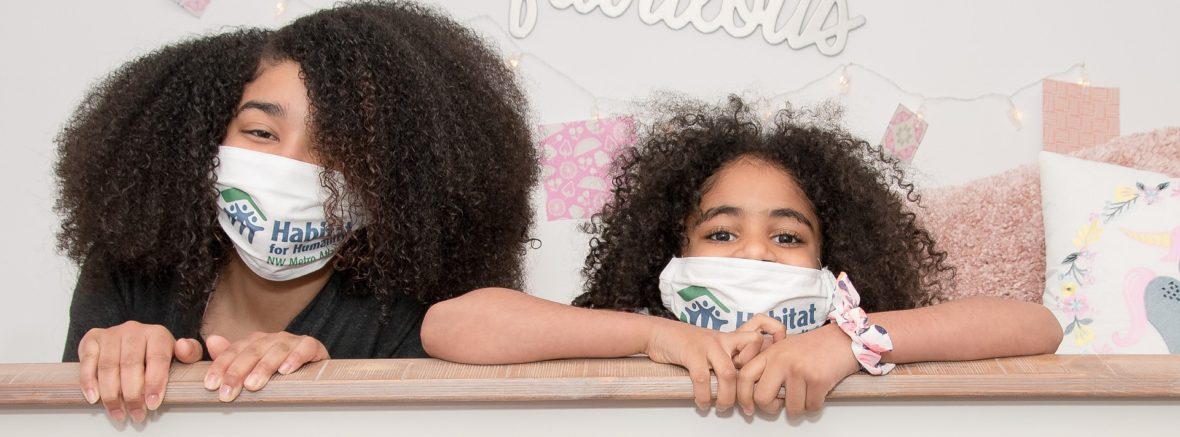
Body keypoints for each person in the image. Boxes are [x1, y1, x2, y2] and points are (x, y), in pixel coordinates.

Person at [421, 96, 1063, 417]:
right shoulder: (636, 323)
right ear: (673, 250)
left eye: (788, 237)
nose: (755, 251)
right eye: (722, 234)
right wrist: (653, 337)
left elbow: (1037, 325)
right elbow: (448, 326)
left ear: (827, 260)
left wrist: (845, 344)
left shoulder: (859, 334)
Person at [56, 1, 537, 423]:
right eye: (261, 133)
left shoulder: (407, 318)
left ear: (397, 177)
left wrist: (323, 392)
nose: (289, 166)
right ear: (203, 137)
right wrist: (116, 368)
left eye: (339, 147)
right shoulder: (130, 271)